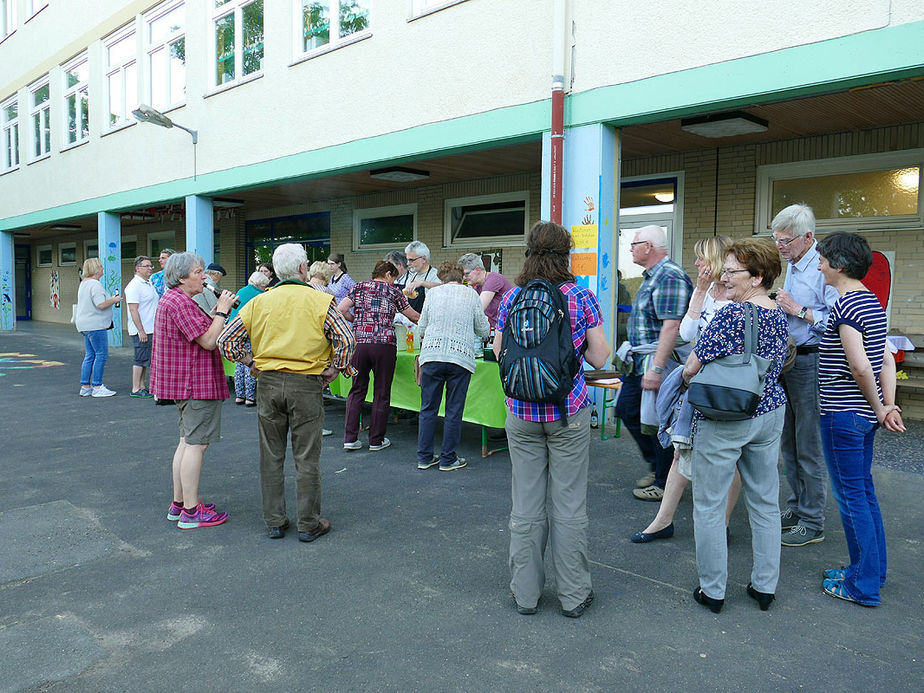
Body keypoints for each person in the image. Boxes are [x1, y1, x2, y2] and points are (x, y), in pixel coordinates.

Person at [492, 221, 611, 618]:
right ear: (567, 254)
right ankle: (574, 596)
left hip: (521, 413)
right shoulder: (580, 296)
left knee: (525, 506)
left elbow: (497, 352)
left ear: (529, 253)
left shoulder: (513, 297)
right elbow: (599, 358)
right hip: (567, 414)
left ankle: (525, 595)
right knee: (569, 506)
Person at [219, 244, 357, 542]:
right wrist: (335, 368)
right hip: (306, 384)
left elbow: (226, 341)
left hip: (268, 382)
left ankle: (274, 520)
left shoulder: (259, 302)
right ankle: (308, 522)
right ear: (302, 269)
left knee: (271, 455)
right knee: (307, 457)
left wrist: (252, 363)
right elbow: (346, 340)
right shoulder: (320, 301)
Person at [681, 238, 790, 613]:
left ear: (758, 276)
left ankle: (713, 591)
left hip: (725, 416)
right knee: (763, 502)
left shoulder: (730, 314)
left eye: (731, 272)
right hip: (769, 409)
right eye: (724, 270)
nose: (724, 278)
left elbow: (693, 365)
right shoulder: (779, 314)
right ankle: (764, 587)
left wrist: (683, 375)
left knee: (709, 505)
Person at [631, 236, 742, 543]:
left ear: (718, 260)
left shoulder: (737, 294)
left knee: (730, 458)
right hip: (697, 381)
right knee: (681, 449)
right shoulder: (705, 291)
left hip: (723, 385)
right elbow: (687, 331)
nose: (696, 264)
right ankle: (662, 521)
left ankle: (723, 523)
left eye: (702, 258)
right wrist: (702, 290)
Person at [816, 232, 905, 606]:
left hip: (843, 415)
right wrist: (886, 406)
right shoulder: (870, 301)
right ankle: (870, 571)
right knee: (863, 494)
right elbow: (885, 359)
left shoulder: (846, 307)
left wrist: (881, 406)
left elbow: (859, 365)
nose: (819, 266)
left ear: (838, 265)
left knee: (852, 497)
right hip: (864, 415)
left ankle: (862, 586)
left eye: (822, 260)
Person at [150, 252, 238, 530]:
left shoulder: (175, 300)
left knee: (186, 442)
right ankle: (190, 512)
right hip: (195, 383)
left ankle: (180, 504)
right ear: (181, 277)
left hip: (184, 383)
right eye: (199, 271)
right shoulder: (181, 303)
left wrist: (213, 314)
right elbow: (209, 341)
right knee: (196, 446)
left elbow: (197, 331)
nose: (205, 276)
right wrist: (222, 311)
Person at [772, 204, 839, 547]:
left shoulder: (823, 267)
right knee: (789, 441)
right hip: (790, 360)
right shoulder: (795, 265)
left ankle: (813, 521)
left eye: (785, 239)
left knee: (808, 443)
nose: (779, 245)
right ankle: (797, 507)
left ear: (808, 237)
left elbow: (838, 322)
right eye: (776, 238)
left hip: (811, 361)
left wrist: (797, 309)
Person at [613, 225, 693, 502]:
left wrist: (657, 369)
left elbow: (671, 327)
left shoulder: (669, 276)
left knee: (656, 421)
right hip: (642, 360)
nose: (631, 249)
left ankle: (664, 480)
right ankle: (658, 467)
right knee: (627, 411)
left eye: (635, 244)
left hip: (659, 363)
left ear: (649, 246)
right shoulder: (652, 277)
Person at [416, 261, 490, 472]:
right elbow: (483, 329)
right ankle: (448, 459)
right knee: (453, 410)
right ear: (462, 277)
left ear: (441, 278)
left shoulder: (433, 295)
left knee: (428, 408)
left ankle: (424, 457)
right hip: (460, 358)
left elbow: (422, 327)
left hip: (432, 355)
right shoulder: (471, 295)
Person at [338, 261, 420, 452]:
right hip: (384, 344)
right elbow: (413, 316)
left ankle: (350, 438)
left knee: (357, 389)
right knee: (381, 392)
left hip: (360, 344)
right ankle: (376, 440)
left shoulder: (358, 287)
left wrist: (356, 321)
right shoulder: (393, 292)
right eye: (395, 278)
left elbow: (342, 308)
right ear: (389, 275)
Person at [75, 257, 122, 398]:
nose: (103, 269)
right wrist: (114, 299)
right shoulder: (95, 284)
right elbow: (100, 304)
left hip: (84, 324)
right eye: (100, 266)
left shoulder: (83, 283)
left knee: (90, 355)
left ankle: (85, 386)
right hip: (96, 325)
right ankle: (97, 385)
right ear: (95, 269)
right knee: (101, 355)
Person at [228, 271, 270, 406]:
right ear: (259, 284)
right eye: (264, 286)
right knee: (250, 365)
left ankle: (239, 395)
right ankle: (250, 397)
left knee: (239, 365)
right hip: (248, 334)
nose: (264, 289)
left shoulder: (242, 290)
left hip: (235, 333)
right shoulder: (259, 295)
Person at [124, 255, 158, 398]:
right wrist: (141, 330)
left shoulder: (148, 283)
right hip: (142, 329)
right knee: (139, 358)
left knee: (145, 359)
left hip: (151, 328)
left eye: (151, 266)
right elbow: (133, 310)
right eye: (147, 266)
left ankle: (142, 386)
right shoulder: (134, 286)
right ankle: (135, 388)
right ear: (138, 268)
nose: (150, 268)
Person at [458, 252, 514, 330]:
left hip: (507, 330)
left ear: (477, 269)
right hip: (495, 330)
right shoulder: (478, 287)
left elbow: (478, 310)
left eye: (466, 274)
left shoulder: (494, 279)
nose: (464, 277)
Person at [403, 241, 441, 313]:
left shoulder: (435, 275)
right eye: (407, 260)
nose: (408, 263)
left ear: (423, 259)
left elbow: (443, 287)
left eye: (411, 260)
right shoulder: (411, 277)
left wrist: (422, 283)